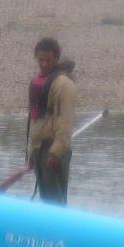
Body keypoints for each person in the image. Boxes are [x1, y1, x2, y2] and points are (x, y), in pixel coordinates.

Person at [26, 37, 77, 204]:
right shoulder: (39, 82)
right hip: (40, 149)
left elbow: (65, 121)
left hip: (55, 149)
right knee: (45, 201)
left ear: (56, 58)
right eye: (41, 60)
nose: (44, 64)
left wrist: (55, 153)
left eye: (48, 60)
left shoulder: (64, 85)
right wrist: (32, 151)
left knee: (56, 202)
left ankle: (60, 230)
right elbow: (36, 122)